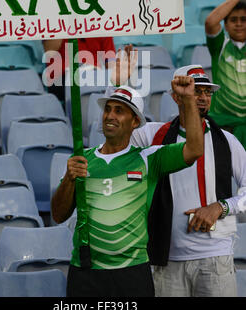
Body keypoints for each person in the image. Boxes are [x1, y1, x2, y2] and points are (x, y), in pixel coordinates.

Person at [103, 51, 246, 297]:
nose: (201, 97)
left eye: (206, 92)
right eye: (194, 91)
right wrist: (117, 85)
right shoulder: (153, 135)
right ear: (175, 96)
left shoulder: (227, 141)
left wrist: (221, 207)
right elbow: (117, 134)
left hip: (216, 257)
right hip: (165, 260)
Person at [51, 75, 204, 297]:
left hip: (132, 272)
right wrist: (69, 178)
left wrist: (189, 100)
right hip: (85, 271)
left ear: (135, 122)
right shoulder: (81, 159)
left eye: (119, 111)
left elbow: (195, 149)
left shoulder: (149, 158)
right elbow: (58, 215)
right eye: (108, 109)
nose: (110, 115)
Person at [205, 0, 246, 150]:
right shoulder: (220, 46)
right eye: (233, 20)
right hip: (223, 126)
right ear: (226, 25)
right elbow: (211, 21)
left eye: (244, 20)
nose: (239, 24)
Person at [43, 37, 116, 103]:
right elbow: (49, 53)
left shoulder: (99, 26)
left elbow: (110, 60)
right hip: (62, 77)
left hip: (94, 74)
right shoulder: (58, 24)